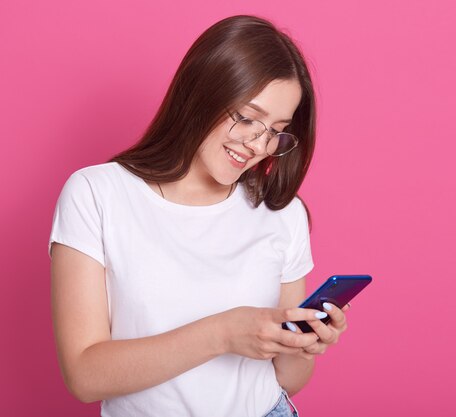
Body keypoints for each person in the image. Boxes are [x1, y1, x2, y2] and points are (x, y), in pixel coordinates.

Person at [49, 15, 349, 417]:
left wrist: (304, 347)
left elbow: (288, 380)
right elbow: (84, 376)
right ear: (202, 92)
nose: (258, 145)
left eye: (276, 130)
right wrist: (223, 334)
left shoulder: (283, 213)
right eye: (247, 117)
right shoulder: (97, 194)